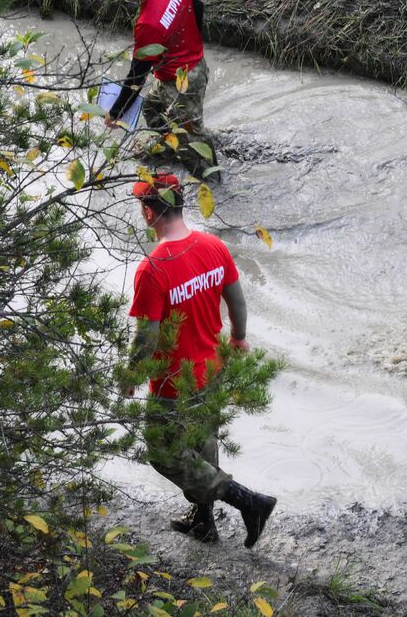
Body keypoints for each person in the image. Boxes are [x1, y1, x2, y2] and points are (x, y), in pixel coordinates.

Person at [126, 173, 275, 547]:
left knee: (164, 451)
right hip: (213, 366)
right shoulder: (214, 247)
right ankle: (203, 521)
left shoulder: (153, 269)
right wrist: (238, 337)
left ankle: (249, 501)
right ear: (179, 204)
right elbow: (237, 301)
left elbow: (147, 336)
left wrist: (131, 373)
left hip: (174, 382)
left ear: (148, 213)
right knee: (201, 444)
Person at [105, 0, 219, 181]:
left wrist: (115, 112)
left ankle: (212, 182)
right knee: (152, 109)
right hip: (193, 64)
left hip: (181, 84)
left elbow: (137, 75)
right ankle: (171, 146)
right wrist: (190, 43)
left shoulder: (147, 23)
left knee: (193, 140)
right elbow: (198, 6)